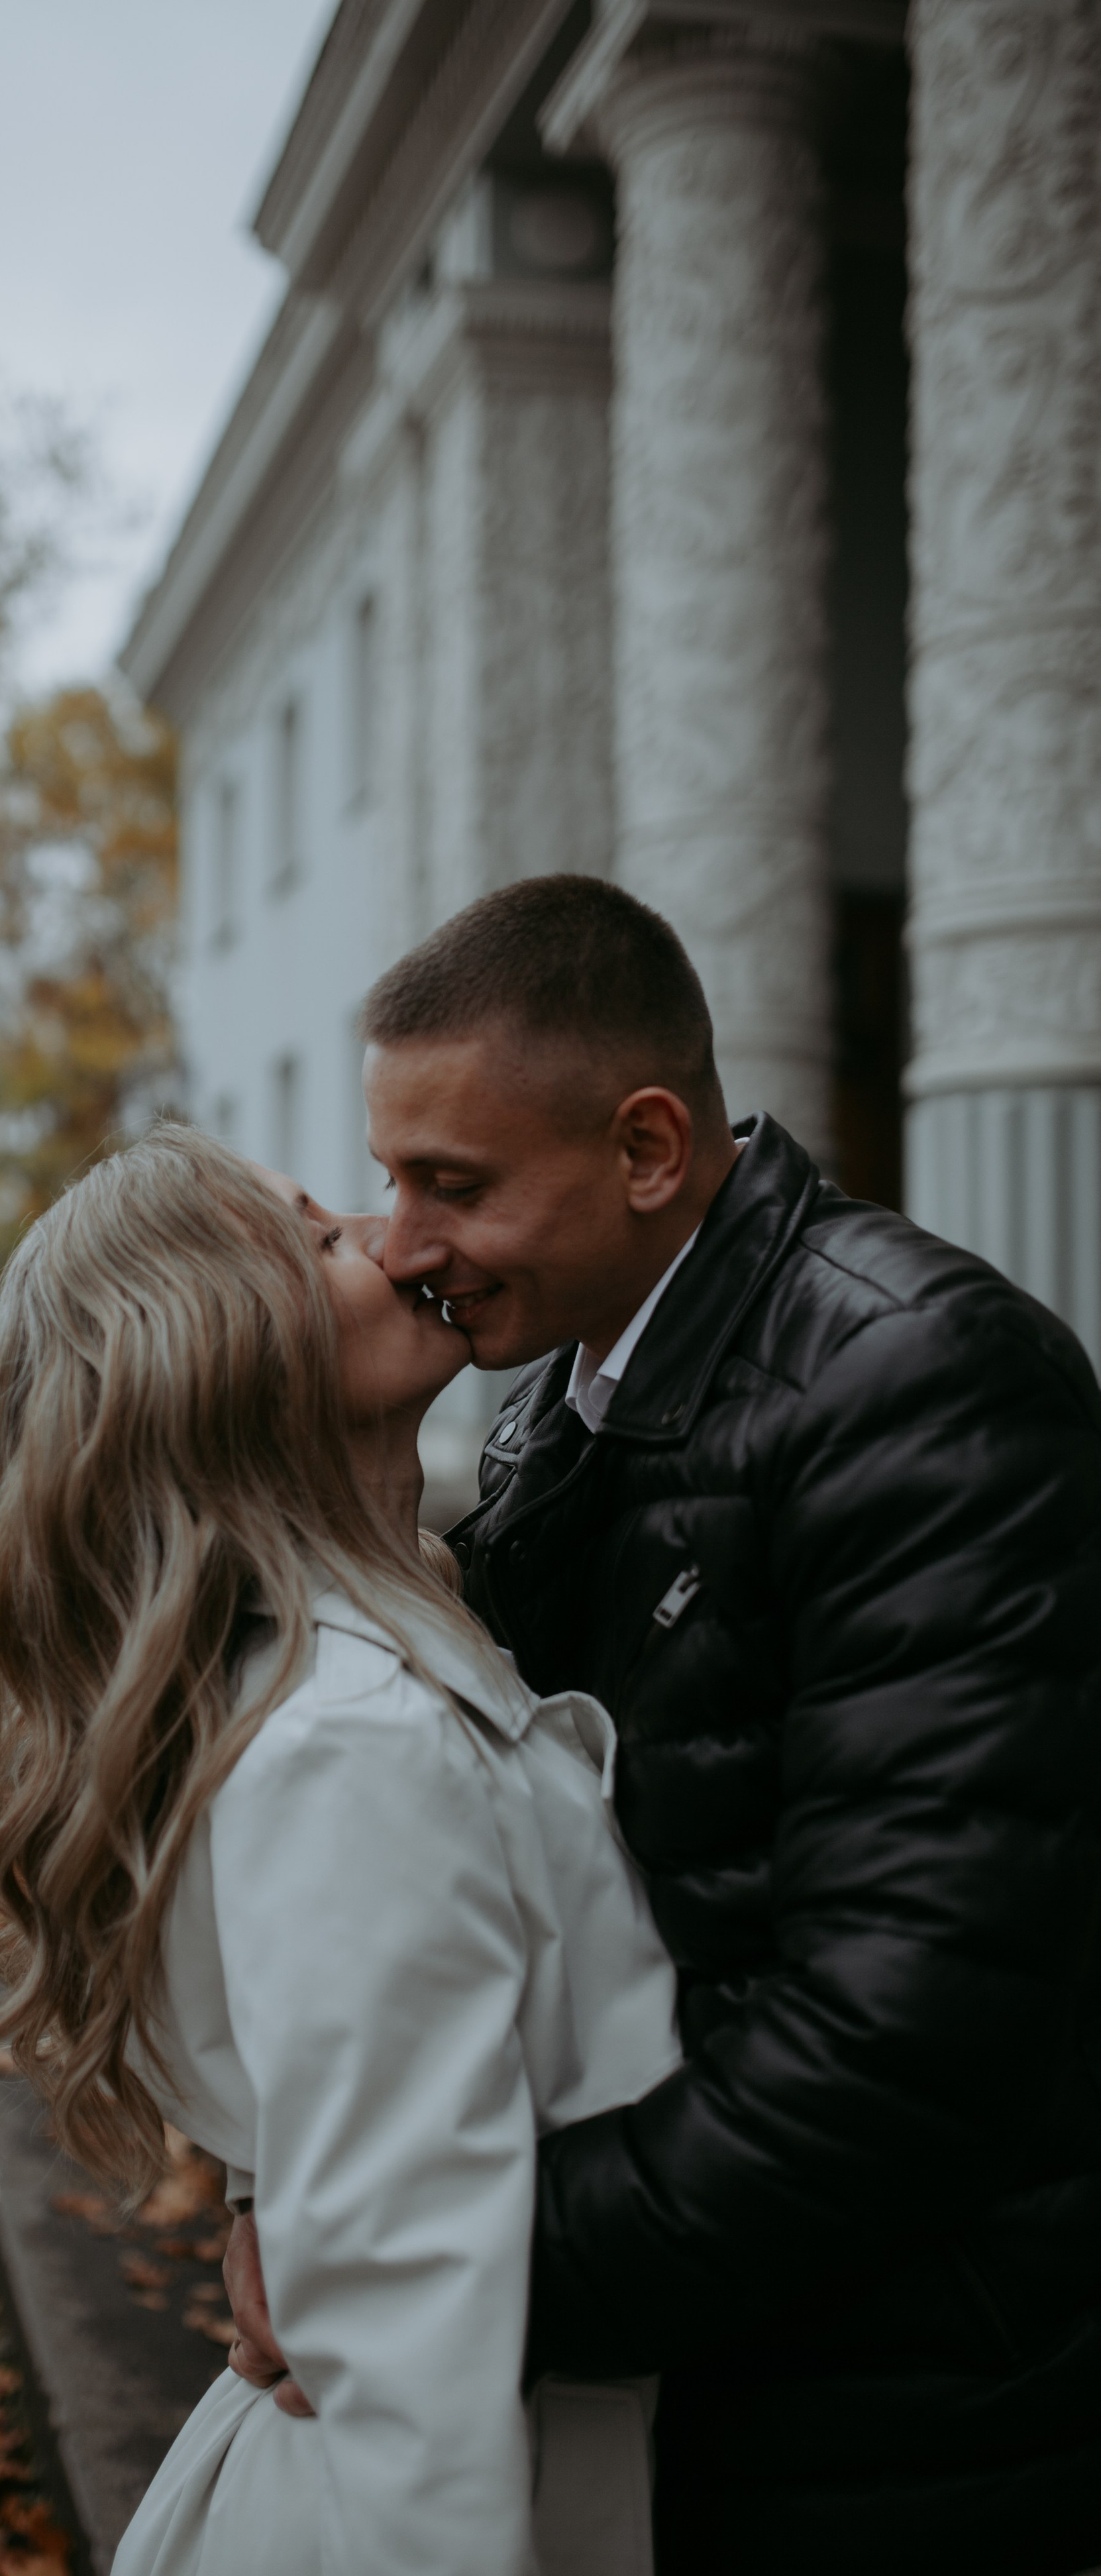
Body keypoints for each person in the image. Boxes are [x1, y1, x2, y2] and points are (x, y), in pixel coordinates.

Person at [224, 874, 1101, 2576]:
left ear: (642, 1149)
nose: (401, 1244)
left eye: (450, 1186)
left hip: (909, 2421)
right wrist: (323, 2200)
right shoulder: (566, 1392)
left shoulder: (918, 1385)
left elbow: (901, 2038)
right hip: (705, 2371)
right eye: (389, 1179)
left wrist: (427, 2280)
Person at [0, 1123, 682, 2576]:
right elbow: (404, 2356)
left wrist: (268, 2197)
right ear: (223, 1354)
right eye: (316, 1241)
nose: (394, 1235)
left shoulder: (346, 1669)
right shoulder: (348, 1739)